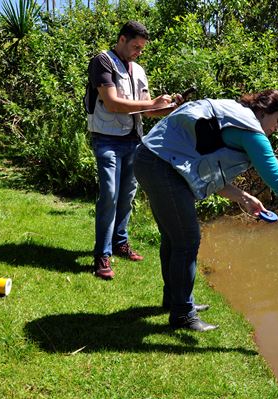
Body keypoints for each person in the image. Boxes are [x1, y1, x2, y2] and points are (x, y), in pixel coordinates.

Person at [134, 90, 278, 331]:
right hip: (161, 165)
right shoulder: (252, 133)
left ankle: (176, 300)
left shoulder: (233, 113)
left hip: (150, 158)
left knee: (174, 236)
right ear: (263, 111)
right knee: (187, 240)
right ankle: (182, 315)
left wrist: (244, 197)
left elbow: (206, 169)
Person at [84, 21, 178, 280]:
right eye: (135, 46)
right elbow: (113, 104)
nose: (138, 52)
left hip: (134, 140)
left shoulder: (138, 70)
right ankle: (102, 254)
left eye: (142, 48)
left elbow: (146, 112)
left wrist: (168, 107)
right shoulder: (102, 62)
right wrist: (152, 103)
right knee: (110, 194)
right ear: (122, 40)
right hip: (107, 139)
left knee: (127, 195)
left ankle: (119, 243)